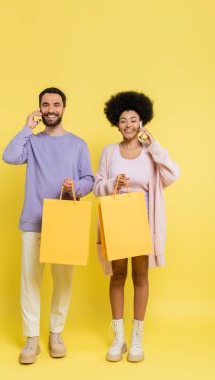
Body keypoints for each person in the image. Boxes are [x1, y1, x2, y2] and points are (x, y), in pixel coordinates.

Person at [3, 87, 94, 364]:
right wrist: (26, 128)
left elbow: (89, 179)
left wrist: (74, 185)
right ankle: (32, 338)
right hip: (33, 220)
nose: (51, 109)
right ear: (40, 109)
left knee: (63, 281)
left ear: (64, 108)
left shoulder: (78, 144)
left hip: (65, 221)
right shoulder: (32, 141)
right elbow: (9, 156)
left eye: (56, 104)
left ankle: (56, 333)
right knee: (30, 280)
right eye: (45, 105)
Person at [93, 91, 180, 363]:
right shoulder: (108, 152)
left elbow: (173, 174)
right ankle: (119, 338)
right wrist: (112, 185)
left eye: (133, 119)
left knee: (140, 277)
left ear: (142, 122)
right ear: (116, 124)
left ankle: (137, 339)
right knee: (118, 276)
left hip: (143, 222)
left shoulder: (150, 153)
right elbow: (97, 188)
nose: (128, 124)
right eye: (123, 120)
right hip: (116, 221)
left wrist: (155, 146)